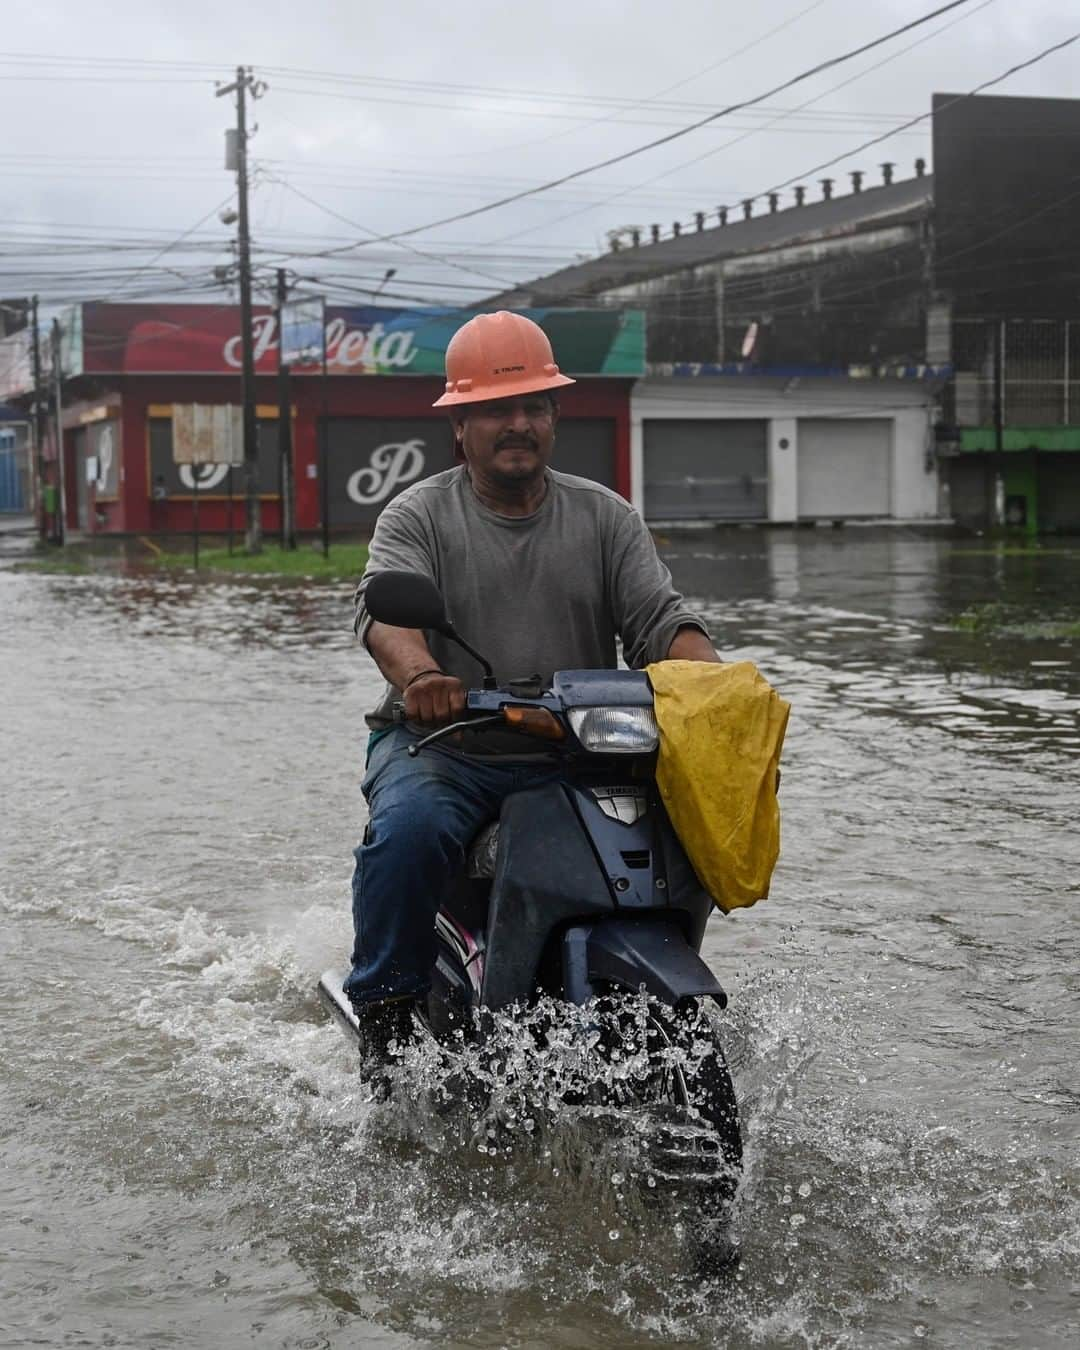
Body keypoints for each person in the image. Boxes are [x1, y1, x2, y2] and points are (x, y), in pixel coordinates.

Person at [345, 310, 719, 1061]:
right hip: (446, 746)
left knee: (687, 832)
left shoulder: (605, 517)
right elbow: (382, 615)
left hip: (574, 751)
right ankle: (385, 1017)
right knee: (407, 836)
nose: (516, 424)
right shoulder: (418, 514)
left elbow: (662, 621)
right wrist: (423, 675)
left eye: (532, 408)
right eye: (495, 410)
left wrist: (720, 689)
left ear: (554, 417)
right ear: (460, 425)